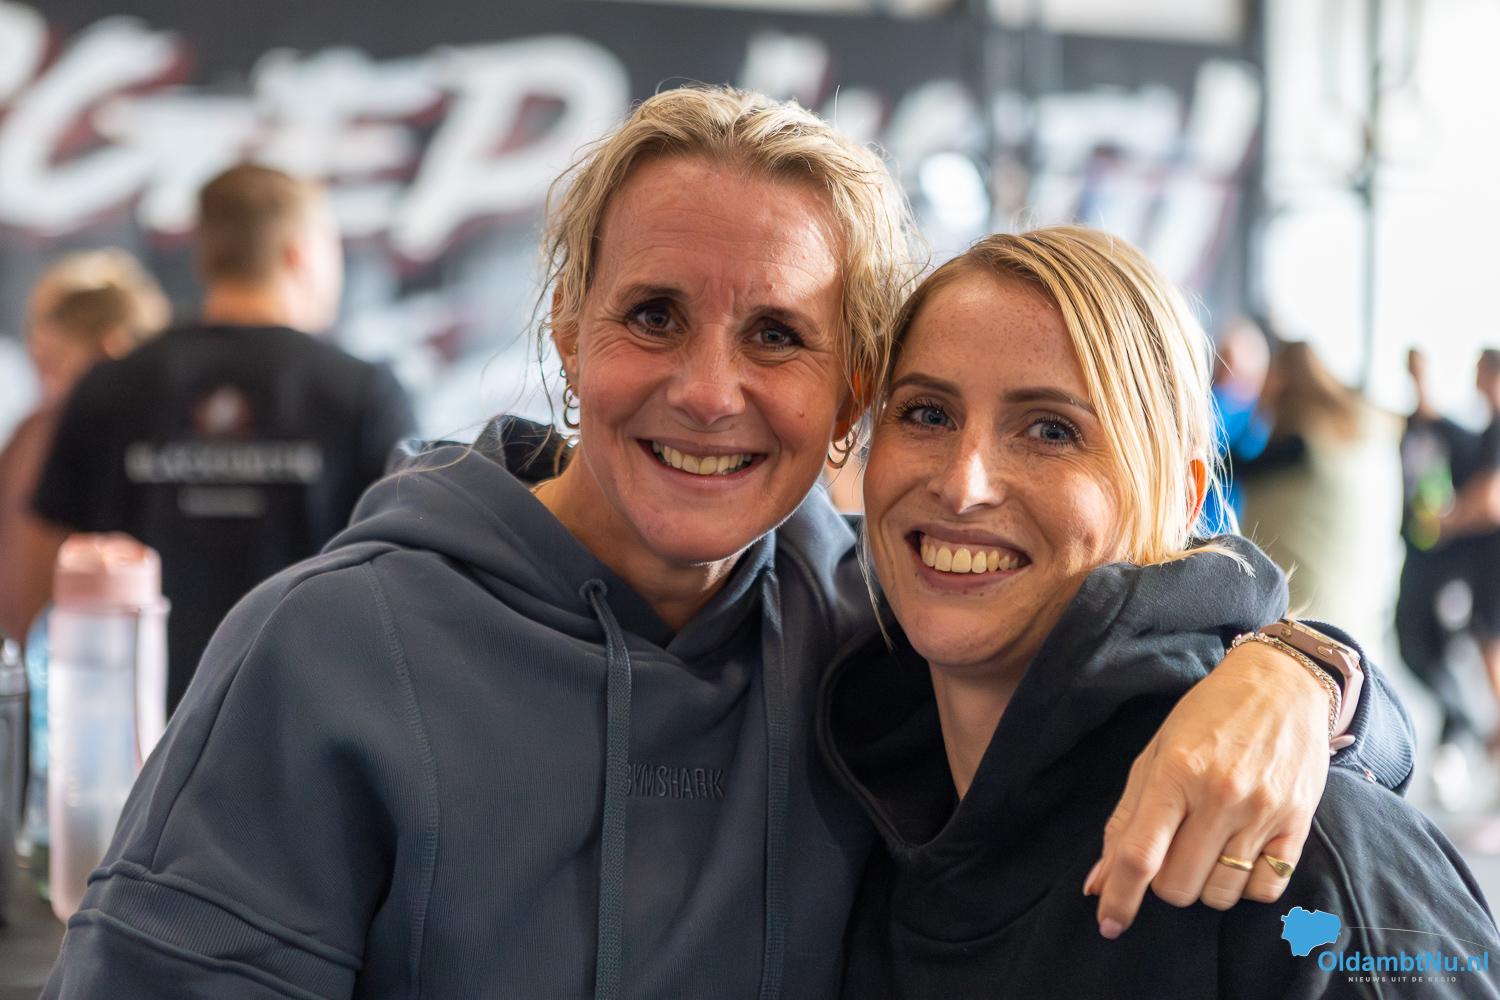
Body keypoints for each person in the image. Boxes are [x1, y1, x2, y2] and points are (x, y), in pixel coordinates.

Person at [44, 88, 1414, 999]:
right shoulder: (324, 651)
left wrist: (1308, 674)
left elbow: (1332, 811)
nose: (709, 391)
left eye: (776, 335)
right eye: (653, 316)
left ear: (849, 391)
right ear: (571, 332)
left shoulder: (872, 643)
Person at [824, 227, 1495, 999]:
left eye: (1050, 430)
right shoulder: (840, 786)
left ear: (1181, 497)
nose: (962, 483)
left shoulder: (1296, 858)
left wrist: (1319, 673)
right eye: (926, 414)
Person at [31, 164, 416, 713]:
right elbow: (407, 578)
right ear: (299, 253)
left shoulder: (111, 387)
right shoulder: (361, 394)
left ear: (206, 255)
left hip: (141, 732)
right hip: (311, 724)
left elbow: (46, 566)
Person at [0, 253, 170, 647]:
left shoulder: (61, 430)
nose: (49, 388)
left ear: (111, 352)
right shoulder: (35, 432)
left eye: (56, 365)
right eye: (40, 366)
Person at [1239, 341, 1404, 660]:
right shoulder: (1369, 440)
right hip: (1360, 626)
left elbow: (1228, 465)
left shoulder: (1300, 450)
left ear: (1283, 382)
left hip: (1306, 631)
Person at [1396, 348, 1483, 806]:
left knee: (1445, 649)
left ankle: (1461, 734)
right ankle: (1461, 723)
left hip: (1449, 565)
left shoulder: (1458, 434)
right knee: (1409, 643)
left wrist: (1450, 523)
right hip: (1416, 555)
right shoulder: (1406, 428)